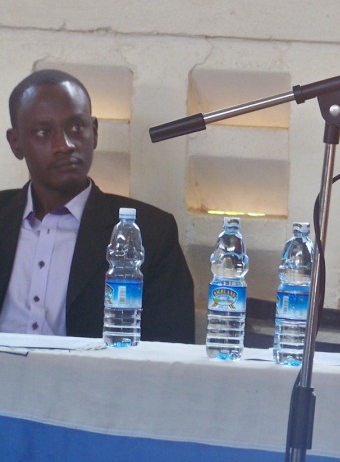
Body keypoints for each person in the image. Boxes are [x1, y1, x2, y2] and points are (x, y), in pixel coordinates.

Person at [0, 69, 195, 343]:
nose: (64, 145)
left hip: (94, 384)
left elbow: (172, 349)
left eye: (76, 128)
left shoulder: (151, 232)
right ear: (16, 143)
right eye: (44, 132)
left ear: (95, 132)